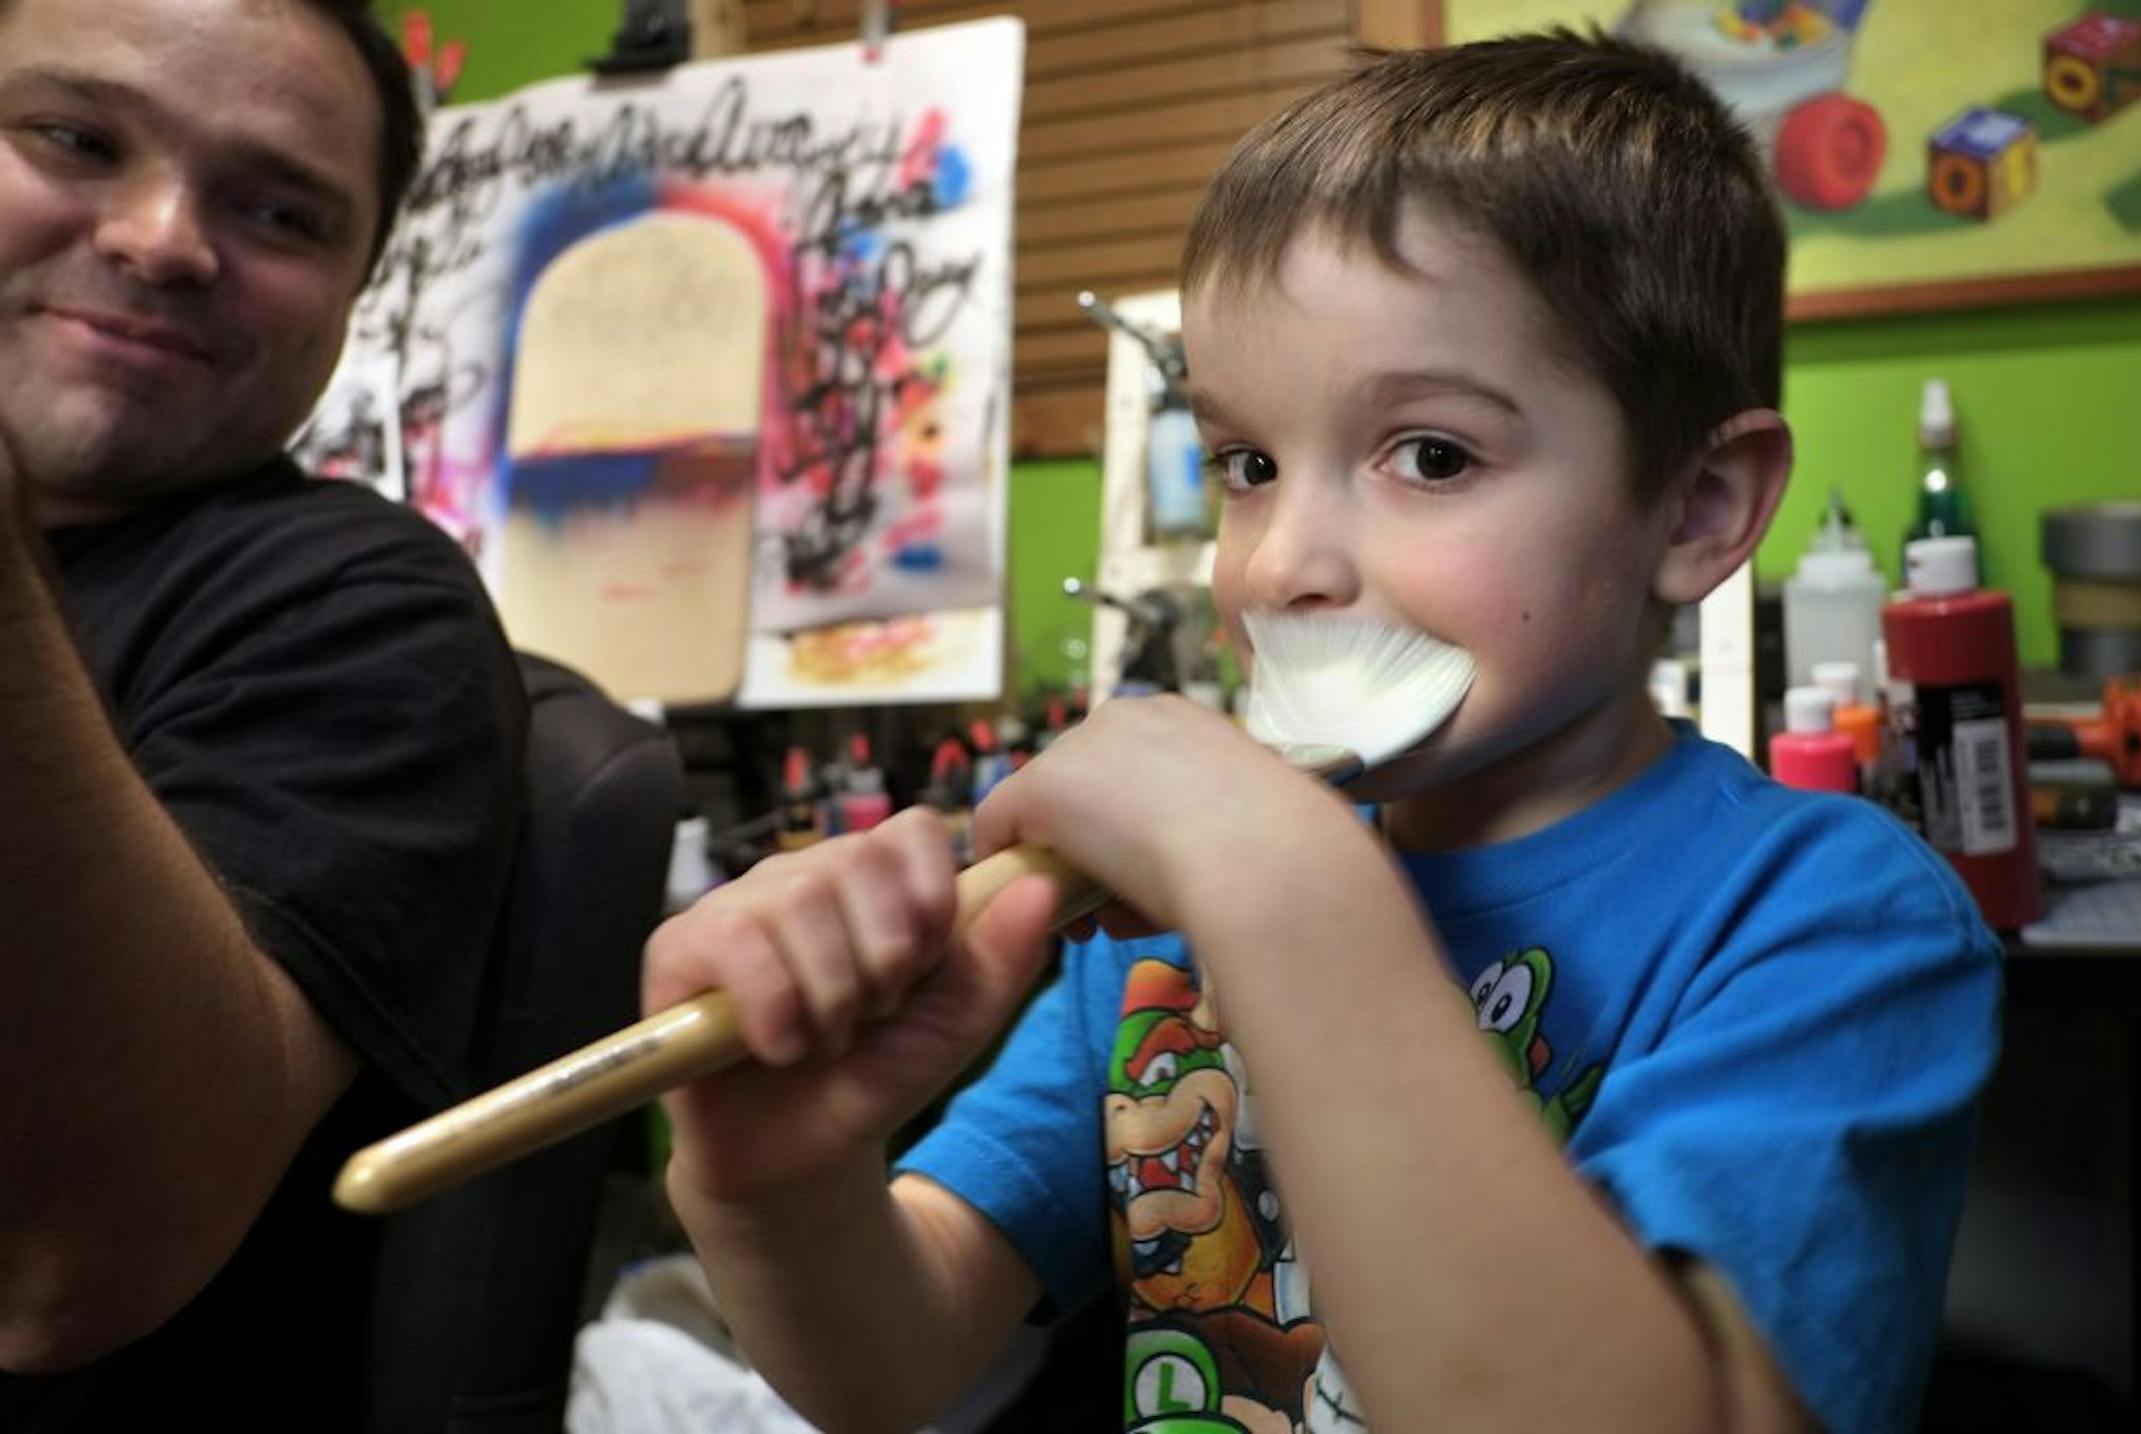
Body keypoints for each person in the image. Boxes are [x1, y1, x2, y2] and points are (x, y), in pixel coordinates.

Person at [645, 33, 2001, 1434]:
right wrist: (780, 1181)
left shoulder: (1824, 921)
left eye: (1431, 455)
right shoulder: (1164, 937)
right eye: (1245, 463)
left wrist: (1286, 893)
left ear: (1698, 506)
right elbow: (894, 1361)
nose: (1279, 561)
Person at [0, 0, 525, 1425]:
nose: (163, 237)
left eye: (282, 212)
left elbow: (66, 1263)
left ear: (357, 290)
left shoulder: (360, 612)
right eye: (72, 138)